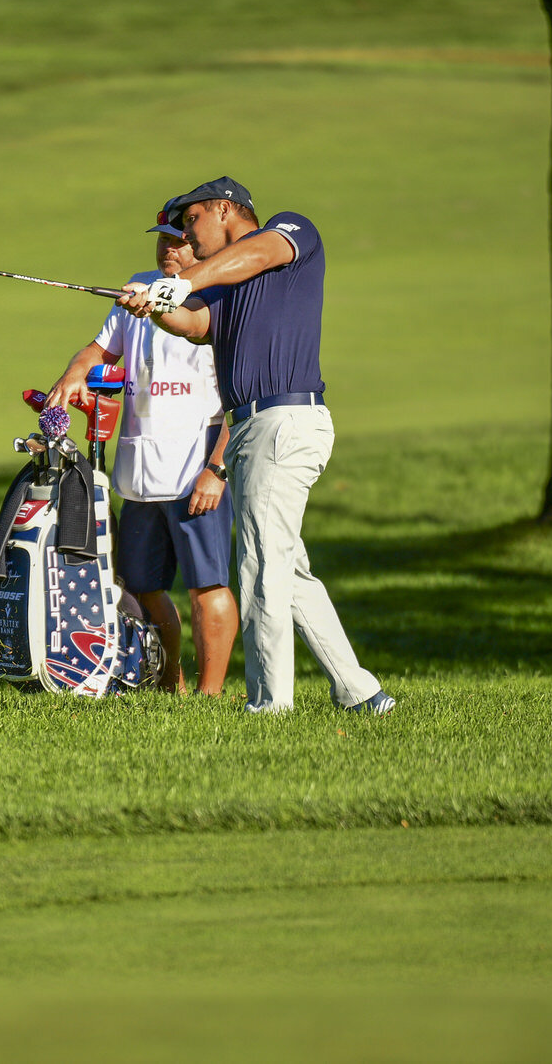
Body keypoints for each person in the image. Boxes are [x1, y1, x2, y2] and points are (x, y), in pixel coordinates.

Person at [121, 177, 395, 717]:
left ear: (226, 208)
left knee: (261, 565)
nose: (186, 234)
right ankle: (360, 692)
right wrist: (154, 301)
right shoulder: (224, 282)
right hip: (250, 429)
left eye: (192, 220)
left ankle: (270, 706)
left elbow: (258, 253)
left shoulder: (289, 233)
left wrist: (182, 280)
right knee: (287, 566)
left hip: (285, 419)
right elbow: (197, 323)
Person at [46, 205, 239, 696]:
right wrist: (74, 373)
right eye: (163, 239)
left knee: (207, 586)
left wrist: (216, 469)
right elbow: (99, 350)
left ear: (198, 242)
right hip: (139, 476)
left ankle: (210, 692)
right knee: (141, 586)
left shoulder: (219, 295)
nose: (168, 248)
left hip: (196, 473)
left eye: (178, 239)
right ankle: (167, 679)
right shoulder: (135, 288)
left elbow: (239, 403)